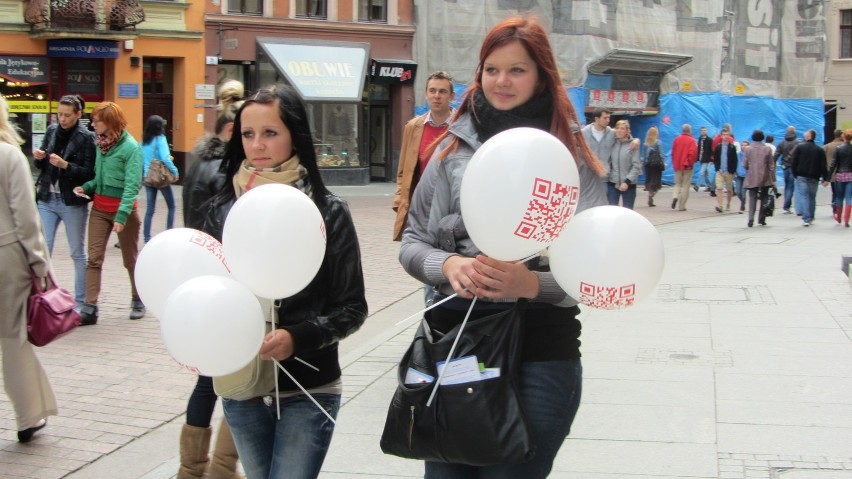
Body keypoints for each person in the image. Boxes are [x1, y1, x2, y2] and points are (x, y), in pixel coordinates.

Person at [399, 16, 607, 478]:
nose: (502, 81)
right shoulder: (452, 149)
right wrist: (447, 263)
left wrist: (532, 283)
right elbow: (412, 241)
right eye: (492, 69)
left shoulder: (569, 156)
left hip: (541, 353)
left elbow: (597, 271)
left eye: (517, 70)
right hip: (458, 344)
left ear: (541, 77)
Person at [202, 84, 367, 479]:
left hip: (309, 385)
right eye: (248, 134)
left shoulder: (327, 211)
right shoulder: (221, 209)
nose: (257, 145)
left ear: (295, 134)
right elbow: (206, 295)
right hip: (242, 384)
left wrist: (298, 337)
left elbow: (352, 307)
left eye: (270, 132)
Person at [178, 80, 244, 479]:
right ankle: (221, 470)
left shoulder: (198, 161)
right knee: (238, 382)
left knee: (206, 380)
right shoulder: (229, 170)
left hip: (200, 276)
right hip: (229, 280)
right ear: (231, 130)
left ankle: (190, 470)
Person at [0, 93, 57, 443]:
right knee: (13, 341)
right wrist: (40, 265)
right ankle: (28, 416)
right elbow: (26, 219)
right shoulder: (9, 156)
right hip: (7, 257)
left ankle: (33, 412)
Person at [73, 102, 144, 325]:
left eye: (96, 121)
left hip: (124, 211)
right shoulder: (101, 144)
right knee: (94, 259)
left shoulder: (131, 147)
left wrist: (122, 216)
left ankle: (138, 299)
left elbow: (132, 185)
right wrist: (88, 186)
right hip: (100, 209)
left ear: (110, 121)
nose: (93, 125)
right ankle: (90, 307)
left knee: (130, 260)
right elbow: (100, 178)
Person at [33, 94, 96, 308]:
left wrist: (65, 165)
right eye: (59, 114)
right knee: (43, 248)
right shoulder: (51, 130)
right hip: (47, 198)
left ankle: (80, 303)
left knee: (77, 252)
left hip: (72, 201)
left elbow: (89, 172)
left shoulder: (87, 137)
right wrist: (39, 158)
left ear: (78, 115)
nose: (62, 119)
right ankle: (43, 298)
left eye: (67, 115)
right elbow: (40, 166)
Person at [392, 70, 455, 242]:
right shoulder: (413, 127)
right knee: (418, 252)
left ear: (452, 96)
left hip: (451, 206)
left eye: (442, 92)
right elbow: (403, 171)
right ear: (426, 94)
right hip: (420, 205)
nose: (437, 96)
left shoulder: (462, 126)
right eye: (432, 91)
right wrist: (400, 202)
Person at [141, 115, 179, 243]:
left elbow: (141, 157)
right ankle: (169, 233)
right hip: (160, 177)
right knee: (172, 206)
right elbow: (165, 158)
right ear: (159, 126)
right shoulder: (160, 139)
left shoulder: (144, 140)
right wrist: (175, 171)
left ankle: (146, 238)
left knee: (150, 209)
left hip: (148, 177)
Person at [790, 129, 828, 227]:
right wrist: (825, 178)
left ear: (807, 137)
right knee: (812, 196)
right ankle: (811, 216)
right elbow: (823, 165)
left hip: (801, 175)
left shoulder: (799, 147)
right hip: (814, 176)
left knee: (804, 196)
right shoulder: (819, 150)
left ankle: (806, 218)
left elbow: (794, 162)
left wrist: (795, 173)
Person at [606, 119, 641, 209]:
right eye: (617, 128)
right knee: (612, 210)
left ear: (627, 130)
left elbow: (636, 166)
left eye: (622, 128)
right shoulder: (613, 143)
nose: (619, 130)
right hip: (613, 182)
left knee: (628, 211)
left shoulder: (633, 144)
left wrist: (627, 181)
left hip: (628, 184)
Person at [743, 130, 775, 227]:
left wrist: (749, 168)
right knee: (764, 197)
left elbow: (744, 164)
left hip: (752, 176)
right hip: (765, 177)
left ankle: (750, 219)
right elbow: (771, 165)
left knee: (752, 197)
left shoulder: (748, 149)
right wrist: (773, 178)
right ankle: (761, 218)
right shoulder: (767, 149)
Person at [671, 123, 698, 211]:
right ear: (689, 131)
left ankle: (675, 196)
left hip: (677, 165)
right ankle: (682, 206)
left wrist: (675, 163)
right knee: (686, 185)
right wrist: (690, 164)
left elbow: (673, 153)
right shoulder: (692, 140)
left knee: (677, 183)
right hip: (687, 166)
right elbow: (692, 154)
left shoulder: (676, 139)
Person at [775, 126, 801, 214]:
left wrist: (771, 165)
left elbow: (776, 154)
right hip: (794, 167)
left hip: (784, 166)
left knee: (787, 186)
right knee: (791, 186)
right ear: (794, 132)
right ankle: (787, 206)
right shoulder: (798, 143)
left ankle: (786, 206)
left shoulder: (782, 142)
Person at [829, 128, 852, 227]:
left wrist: (827, 177)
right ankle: (846, 220)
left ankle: (838, 217)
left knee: (839, 197)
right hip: (850, 175)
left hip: (840, 175)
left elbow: (833, 164)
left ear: (843, 137)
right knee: (849, 198)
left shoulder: (838, 149)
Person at [713, 129, 738, 212]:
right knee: (719, 188)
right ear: (721, 136)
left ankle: (728, 203)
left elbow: (735, 160)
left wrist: (733, 171)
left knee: (729, 189)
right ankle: (720, 206)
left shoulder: (732, 147)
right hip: (720, 171)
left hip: (729, 171)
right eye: (724, 134)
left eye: (727, 134)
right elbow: (716, 159)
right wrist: (717, 169)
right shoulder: (718, 147)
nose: (725, 136)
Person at [642, 126, 665, 207]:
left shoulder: (645, 143)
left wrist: (643, 163)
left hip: (648, 165)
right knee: (656, 181)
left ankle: (650, 192)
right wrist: (663, 163)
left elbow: (644, 156)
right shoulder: (658, 142)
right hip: (656, 165)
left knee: (649, 180)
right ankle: (652, 193)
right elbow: (661, 154)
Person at [824, 129, 844, 217]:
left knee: (834, 191)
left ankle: (834, 203)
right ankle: (837, 205)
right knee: (841, 192)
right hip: (843, 173)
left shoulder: (827, 146)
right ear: (841, 135)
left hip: (831, 174)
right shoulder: (845, 146)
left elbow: (823, 161)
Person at [696, 126, 714, 194]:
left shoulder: (709, 140)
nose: (703, 131)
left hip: (707, 159)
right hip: (701, 159)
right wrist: (698, 158)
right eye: (702, 130)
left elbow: (712, 150)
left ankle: (697, 185)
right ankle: (710, 186)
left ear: (706, 131)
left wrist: (712, 159)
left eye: (704, 130)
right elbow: (699, 149)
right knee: (706, 174)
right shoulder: (700, 139)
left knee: (701, 172)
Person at [734, 140, 749, 213]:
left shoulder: (749, 155)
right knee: (738, 191)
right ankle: (743, 202)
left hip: (746, 176)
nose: (743, 146)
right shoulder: (738, 155)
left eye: (745, 145)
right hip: (739, 175)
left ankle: (742, 206)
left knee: (743, 192)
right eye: (742, 145)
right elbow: (735, 163)